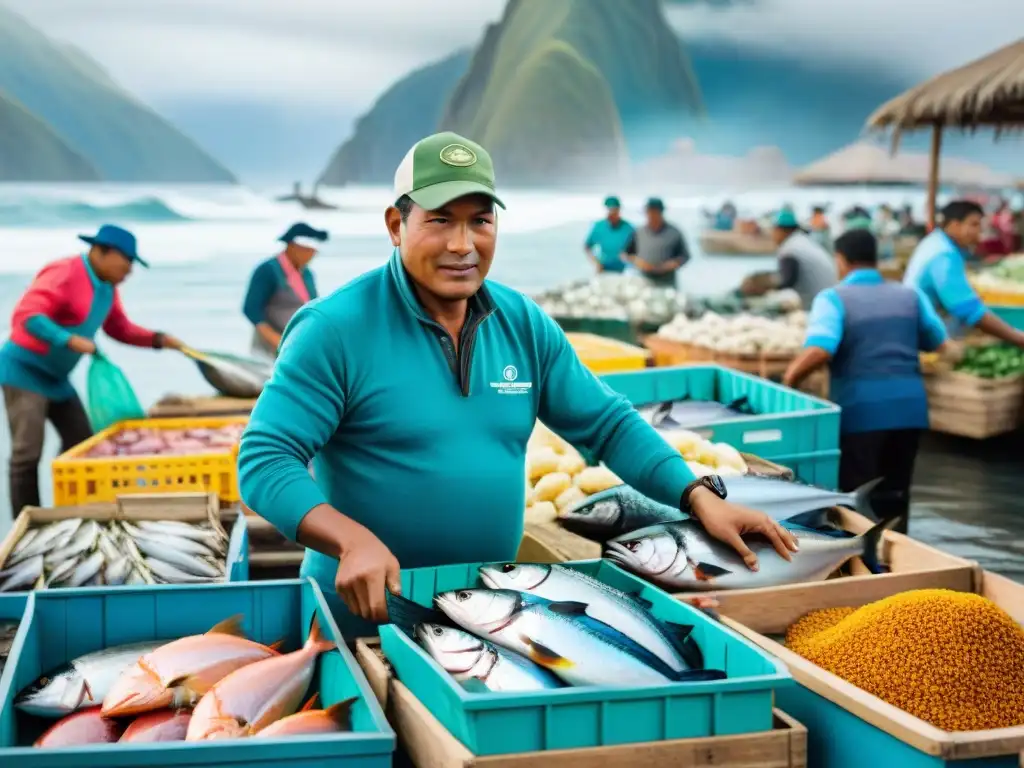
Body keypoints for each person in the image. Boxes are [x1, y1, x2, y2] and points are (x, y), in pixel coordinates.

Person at [237, 131, 796, 635]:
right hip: (363, 614)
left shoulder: (521, 322)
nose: (463, 244)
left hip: (489, 612)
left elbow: (606, 423)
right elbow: (265, 460)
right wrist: (349, 539)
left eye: (480, 220)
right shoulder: (335, 329)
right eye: (439, 220)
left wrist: (697, 495)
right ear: (394, 225)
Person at [0, 224, 184, 515]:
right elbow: (27, 314)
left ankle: (68, 509)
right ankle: (28, 521)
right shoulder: (66, 271)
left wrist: (158, 340)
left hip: (57, 378)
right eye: (127, 261)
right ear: (102, 251)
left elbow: (118, 328)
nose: (130, 271)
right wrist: (68, 339)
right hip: (24, 371)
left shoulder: (107, 288)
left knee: (81, 442)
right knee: (27, 453)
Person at [782, 229, 955, 534]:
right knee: (895, 497)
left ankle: (864, 566)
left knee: (857, 499)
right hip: (910, 413)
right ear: (875, 258)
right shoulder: (910, 295)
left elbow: (821, 348)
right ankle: (900, 562)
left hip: (861, 415)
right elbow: (938, 341)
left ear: (841, 260)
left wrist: (789, 380)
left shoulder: (833, 298)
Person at [904, 200, 1024, 346]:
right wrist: (1017, 337)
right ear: (955, 225)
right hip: (925, 334)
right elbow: (968, 310)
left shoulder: (937, 242)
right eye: (974, 224)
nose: (979, 231)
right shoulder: (944, 255)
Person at [242, 222, 328, 358]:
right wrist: (278, 341)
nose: (311, 256)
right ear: (293, 247)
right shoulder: (268, 270)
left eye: (313, 253)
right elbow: (251, 310)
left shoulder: (307, 274)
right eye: (308, 251)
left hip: (297, 348)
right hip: (269, 350)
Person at [757, 210, 837, 309]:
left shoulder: (790, 249)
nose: (772, 235)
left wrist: (763, 288)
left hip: (816, 306)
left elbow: (787, 282)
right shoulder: (802, 241)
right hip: (830, 300)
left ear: (780, 230)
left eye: (773, 230)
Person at [622, 198, 689, 288]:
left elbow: (684, 256)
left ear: (661, 212)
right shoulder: (639, 232)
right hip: (644, 280)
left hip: (667, 282)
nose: (651, 215)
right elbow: (625, 254)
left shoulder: (674, 232)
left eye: (654, 212)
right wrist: (638, 262)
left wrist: (669, 265)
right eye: (649, 212)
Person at [583, 196, 634, 274]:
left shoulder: (628, 228)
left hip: (624, 270)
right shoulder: (599, 226)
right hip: (604, 268)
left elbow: (638, 249)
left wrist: (629, 258)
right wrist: (596, 262)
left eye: (614, 211)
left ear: (619, 210)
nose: (611, 214)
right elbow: (587, 246)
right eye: (609, 210)